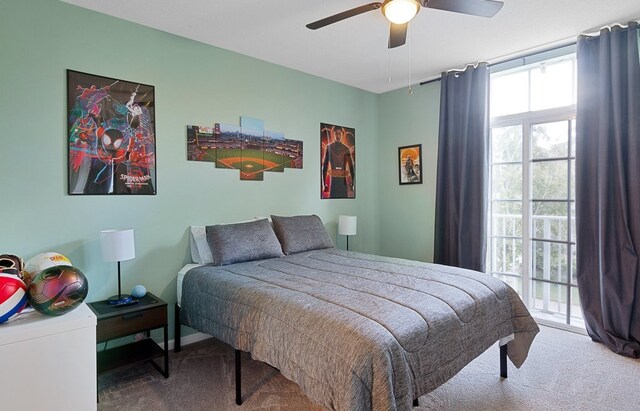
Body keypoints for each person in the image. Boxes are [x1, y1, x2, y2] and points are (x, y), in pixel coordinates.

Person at [322, 127, 354, 198]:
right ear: (334, 134)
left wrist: (353, 183)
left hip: (343, 184)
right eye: (336, 134)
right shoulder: (329, 147)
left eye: (339, 134)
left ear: (342, 135)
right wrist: (324, 184)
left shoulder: (346, 149)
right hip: (333, 183)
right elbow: (325, 166)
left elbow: (351, 167)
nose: (338, 136)